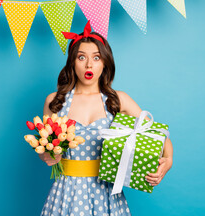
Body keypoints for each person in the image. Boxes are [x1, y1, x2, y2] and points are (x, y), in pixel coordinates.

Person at [39, 21, 173, 216]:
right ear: (72, 62)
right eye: (81, 57)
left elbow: (160, 136)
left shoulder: (118, 100)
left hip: (107, 194)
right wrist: (50, 156)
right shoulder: (55, 101)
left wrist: (168, 161)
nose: (89, 64)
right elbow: (45, 153)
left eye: (96, 57)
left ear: (105, 63)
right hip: (66, 193)